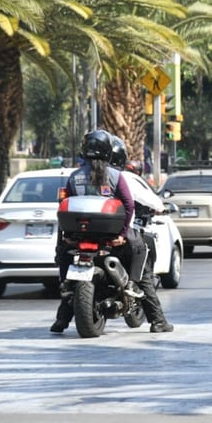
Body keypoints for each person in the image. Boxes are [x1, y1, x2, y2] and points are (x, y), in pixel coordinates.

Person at [51, 130, 140, 334]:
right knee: (137, 248)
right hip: (109, 237)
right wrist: (122, 233)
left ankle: (61, 320)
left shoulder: (74, 177)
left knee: (65, 273)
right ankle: (131, 286)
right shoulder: (116, 176)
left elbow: (65, 205)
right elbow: (129, 205)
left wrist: (69, 237)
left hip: (78, 237)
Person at [110, 136, 174, 333]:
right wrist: (160, 208)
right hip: (123, 235)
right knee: (144, 272)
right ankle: (158, 321)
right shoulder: (123, 178)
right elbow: (150, 201)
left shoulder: (84, 176)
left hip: (90, 236)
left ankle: (61, 319)